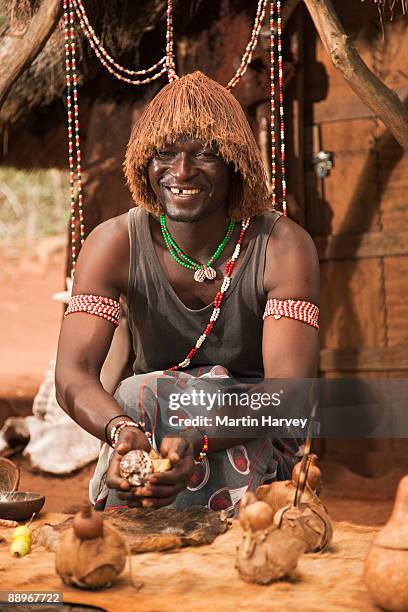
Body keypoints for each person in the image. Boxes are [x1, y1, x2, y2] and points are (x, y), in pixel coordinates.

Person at [55, 71, 319, 513]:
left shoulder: (283, 247)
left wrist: (198, 436)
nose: (181, 172)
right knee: (138, 395)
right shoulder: (112, 243)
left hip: (253, 432)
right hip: (152, 431)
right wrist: (122, 433)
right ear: (144, 162)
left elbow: (289, 395)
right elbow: (73, 373)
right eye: (165, 154)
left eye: (206, 155)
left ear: (237, 164)